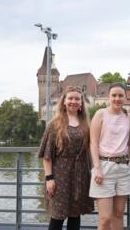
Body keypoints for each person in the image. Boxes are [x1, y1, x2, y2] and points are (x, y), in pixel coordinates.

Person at [38, 86, 94, 230]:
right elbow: (47, 155)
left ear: (81, 102)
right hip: (60, 174)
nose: (73, 101)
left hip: (80, 174)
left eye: (77, 99)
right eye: (70, 98)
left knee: (75, 215)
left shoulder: (86, 125)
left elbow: (91, 150)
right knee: (57, 216)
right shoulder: (54, 124)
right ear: (64, 101)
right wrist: (49, 178)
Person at [89, 83, 130, 230]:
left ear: (125, 97)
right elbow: (93, 143)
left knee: (119, 214)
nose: (117, 98)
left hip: (123, 168)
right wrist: (97, 169)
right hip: (104, 166)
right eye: (114, 95)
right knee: (105, 218)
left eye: (120, 95)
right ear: (108, 97)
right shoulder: (100, 114)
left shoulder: (129, 117)